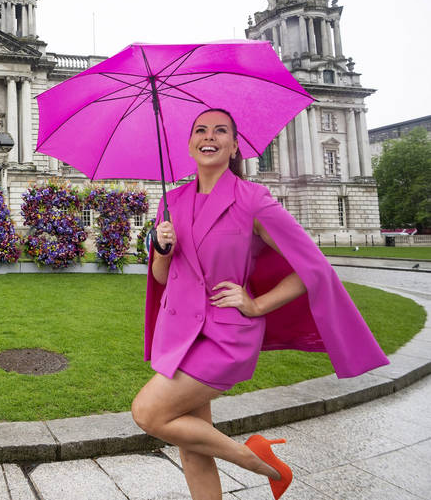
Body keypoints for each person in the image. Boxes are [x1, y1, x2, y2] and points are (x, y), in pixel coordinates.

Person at [130, 108, 389, 500]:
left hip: (224, 336)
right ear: (189, 144)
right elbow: (163, 278)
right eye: (200, 130)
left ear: (235, 145)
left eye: (220, 131)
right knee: (191, 443)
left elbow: (313, 268)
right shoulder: (171, 201)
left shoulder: (253, 200)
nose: (209, 137)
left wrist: (256, 305)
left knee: (148, 413)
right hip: (178, 333)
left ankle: (258, 459)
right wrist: (161, 248)